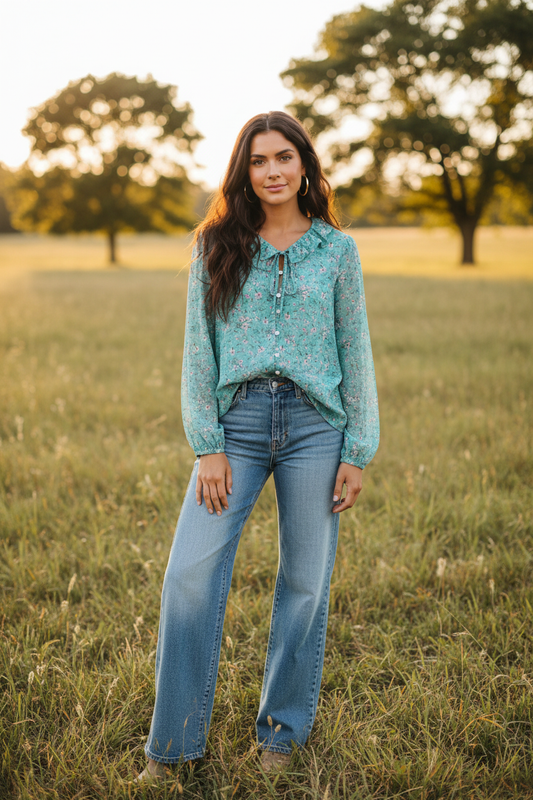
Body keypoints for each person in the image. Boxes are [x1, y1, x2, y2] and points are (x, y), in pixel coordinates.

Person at [136, 111, 379, 781]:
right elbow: (196, 351)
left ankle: (279, 735)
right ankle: (173, 748)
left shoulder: (336, 251)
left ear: (304, 164)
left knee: (304, 583)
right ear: (243, 170)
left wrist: (357, 448)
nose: (271, 170)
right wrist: (206, 445)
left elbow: (353, 350)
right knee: (189, 575)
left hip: (314, 430)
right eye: (257, 160)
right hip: (235, 427)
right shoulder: (215, 243)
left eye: (283, 156)